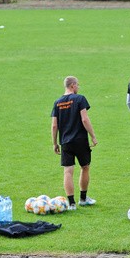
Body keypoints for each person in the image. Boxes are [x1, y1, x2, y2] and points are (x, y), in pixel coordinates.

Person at [51, 76, 98, 210]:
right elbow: (85, 119)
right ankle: (83, 199)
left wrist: (55, 143)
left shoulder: (57, 102)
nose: (78, 87)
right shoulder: (80, 99)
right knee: (85, 167)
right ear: (72, 85)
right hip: (80, 140)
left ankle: (71, 203)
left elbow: (54, 126)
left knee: (68, 171)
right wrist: (93, 136)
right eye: (77, 85)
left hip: (65, 141)